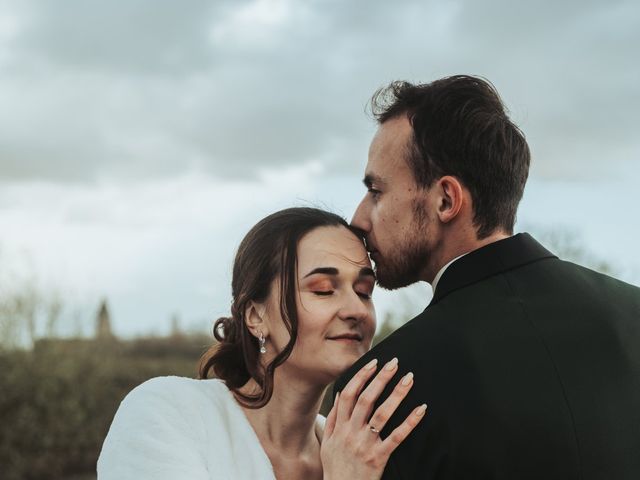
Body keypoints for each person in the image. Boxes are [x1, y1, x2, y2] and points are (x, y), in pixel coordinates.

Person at [334, 75, 640, 479]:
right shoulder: (633, 313)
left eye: (376, 191)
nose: (358, 218)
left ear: (446, 199)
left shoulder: (379, 391)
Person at [97, 207, 427, 480]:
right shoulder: (168, 414)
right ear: (255, 315)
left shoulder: (361, 454)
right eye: (323, 288)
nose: (357, 309)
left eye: (364, 291)